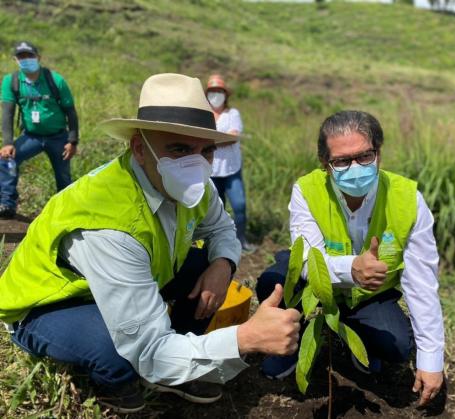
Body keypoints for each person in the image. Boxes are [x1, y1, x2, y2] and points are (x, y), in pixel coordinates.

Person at [0, 74, 300, 414]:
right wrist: (245, 339)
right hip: (49, 304)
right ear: (139, 148)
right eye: (179, 148)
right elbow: (147, 350)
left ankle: (178, 366)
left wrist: (223, 265)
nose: (196, 163)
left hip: (125, 278)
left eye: (207, 151)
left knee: (204, 265)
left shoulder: (193, 183)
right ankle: (115, 382)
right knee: (119, 353)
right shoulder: (109, 221)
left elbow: (221, 228)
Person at [256, 110, 445, 406]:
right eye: (342, 161)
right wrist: (351, 269)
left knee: (396, 346)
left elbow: (422, 284)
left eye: (365, 156)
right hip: (317, 286)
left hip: (370, 295)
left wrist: (432, 359)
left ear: (379, 154)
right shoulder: (307, 190)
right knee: (274, 282)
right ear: (325, 164)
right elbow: (307, 259)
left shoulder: (407, 199)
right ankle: (292, 347)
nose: (355, 168)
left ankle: (358, 339)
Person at [0, 41, 79, 219]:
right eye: (21, 57)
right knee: (7, 160)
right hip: (31, 137)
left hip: (58, 137)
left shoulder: (55, 80)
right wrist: (7, 143)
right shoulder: (11, 81)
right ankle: (7, 203)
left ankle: (65, 210)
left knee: (63, 176)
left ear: (38, 57)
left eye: (30, 56)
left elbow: (71, 112)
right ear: (15, 60)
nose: (26, 60)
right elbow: (7, 113)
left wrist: (72, 141)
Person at [206, 74, 255, 252]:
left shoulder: (233, 114)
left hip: (231, 169)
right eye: (212, 92)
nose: (216, 95)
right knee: (216, 209)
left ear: (226, 94)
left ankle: (240, 239)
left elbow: (233, 138)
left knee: (239, 205)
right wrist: (219, 139)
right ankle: (218, 242)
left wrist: (209, 141)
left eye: (219, 91)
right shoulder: (204, 115)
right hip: (211, 171)